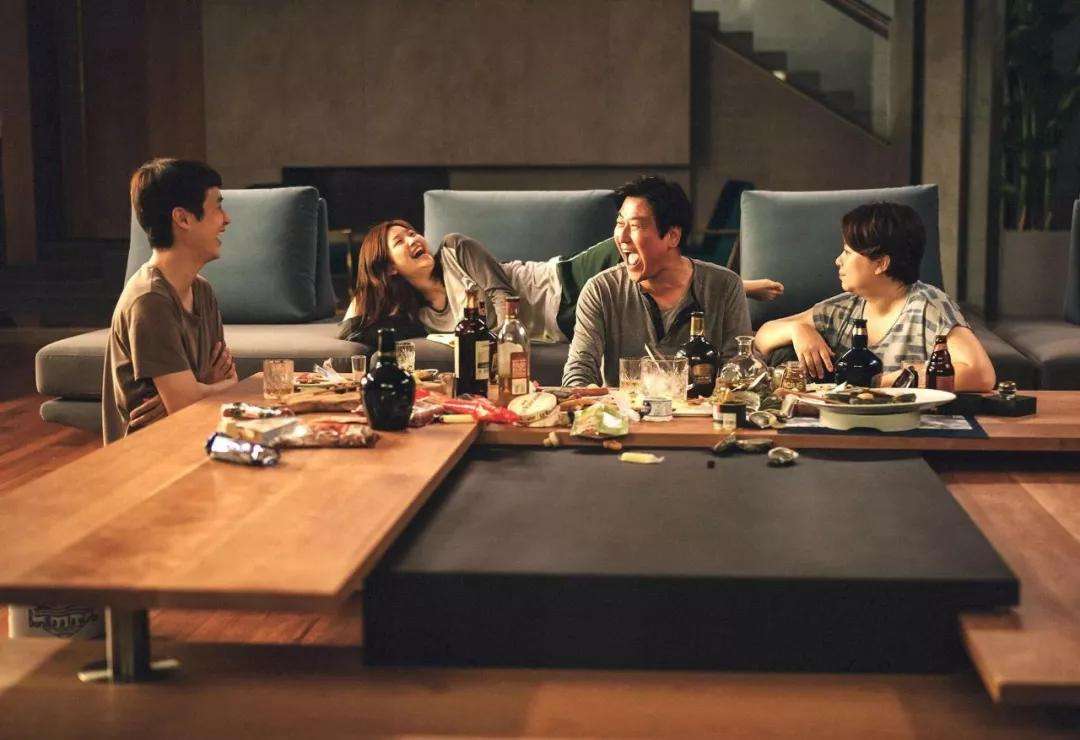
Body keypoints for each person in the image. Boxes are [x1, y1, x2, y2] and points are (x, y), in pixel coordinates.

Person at [338, 204, 781, 350]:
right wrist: (366, 288)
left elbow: (502, 297)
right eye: (400, 242)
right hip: (558, 323)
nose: (415, 239)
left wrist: (491, 347)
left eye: (412, 232)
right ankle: (728, 292)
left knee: (644, 253)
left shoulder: (455, 249)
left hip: (564, 282)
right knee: (648, 294)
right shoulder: (422, 317)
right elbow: (351, 330)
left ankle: (731, 285)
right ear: (388, 267)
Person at [753, 202, 996, 390]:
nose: (838, 261)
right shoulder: (844, 308)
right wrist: (797, 329)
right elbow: (762, 338)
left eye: (848, 252)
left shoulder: (929, 305)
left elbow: (981, 374)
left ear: (881, 263)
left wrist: (879, 382)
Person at [562, 175, 753, 387]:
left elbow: (738, 370)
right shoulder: (601, 290)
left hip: (702, 407)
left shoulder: (725, 286)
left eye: (635, 226)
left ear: (673, 236)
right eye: (620, 223)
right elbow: (579, 370)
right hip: (625, 408)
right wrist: (583, 393)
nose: (622, 237)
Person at [102, 158, 239, 444]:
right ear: (183, 218)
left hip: (198, 437)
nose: (226, 219)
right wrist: (201, 391)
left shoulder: (201, 291)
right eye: (217, 207)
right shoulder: (150, 300)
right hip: (151, 454)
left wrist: (196, 392)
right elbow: (188, 404)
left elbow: (227, 382)